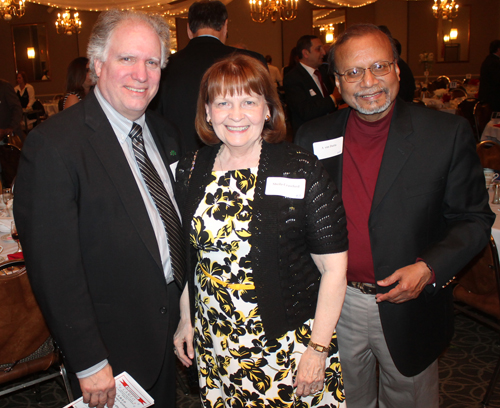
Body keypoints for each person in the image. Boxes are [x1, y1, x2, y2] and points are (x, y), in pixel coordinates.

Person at [295, 24, 494, 408]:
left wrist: (429, 268)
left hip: (410, 304)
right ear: (337, 82)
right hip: (335, 305)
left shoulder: (444, 133)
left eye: (380, 67)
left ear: (398, 70)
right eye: (353, 72)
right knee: (346, 401)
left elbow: (473, 218)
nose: (368, 81)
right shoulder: (312, 137)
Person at [14, 9, 183, 408]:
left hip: (169, 326)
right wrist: (89, 361)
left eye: (152, 62)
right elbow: (54, 269)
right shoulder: (54, 145)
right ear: (97, 64)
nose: (141, 74)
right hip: (110, 344)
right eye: (127, 59)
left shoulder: (164, 132)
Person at [173, 53, 348, 407]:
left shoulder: (300, 168)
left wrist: (317, 350)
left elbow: (334, 270)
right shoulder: (191, 170)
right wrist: (185, 319)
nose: (235, 115)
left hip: (284, 345)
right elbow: (191, 257)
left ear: (268, 109)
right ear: (207, 112)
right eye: (223, 102)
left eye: (249, 102)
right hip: (217, 342)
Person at [152, 0, 267, 154]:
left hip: (180, 161)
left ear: (188, 29)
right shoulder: (251, 61)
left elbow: (156, 122)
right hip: (242, 158)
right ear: (225, 26)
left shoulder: (164, 66)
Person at [283, 35, 339, 134]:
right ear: (306, 53)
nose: (323, 53)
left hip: (331, 129)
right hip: (309, 134)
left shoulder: (323, 72)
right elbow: (305, 111)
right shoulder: (293, 78)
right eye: (318, 49)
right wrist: (334, 98)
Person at [479, 39, 500, 112]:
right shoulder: (495, 62)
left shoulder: (489, 59)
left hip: (488, 96)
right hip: (493, 97)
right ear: (498, 49)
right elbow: (497, 80)